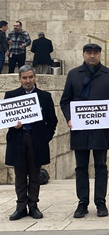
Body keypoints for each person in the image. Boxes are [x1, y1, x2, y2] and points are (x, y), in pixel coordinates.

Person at [60, 43, 109, 218]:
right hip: (80, 129)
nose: (92, 56)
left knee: (101, 166)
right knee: (81, 167)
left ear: (100, 55)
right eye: (89, 52)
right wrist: (69, 118)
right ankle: (82, 202)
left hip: (100, 129)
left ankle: (100, 202)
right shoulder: (73, 75)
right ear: (83, 55)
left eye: (95, 52)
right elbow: (65, 100)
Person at [4, 65, 58, 221]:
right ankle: (21, 206)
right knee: (20, 175)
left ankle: (33, 205)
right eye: (24, 78)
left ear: (35, 77)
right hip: (18, 140)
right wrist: (13, 124)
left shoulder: (45, 97)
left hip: (36, 140)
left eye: (30, 77)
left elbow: (52, 121)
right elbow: (5, 117)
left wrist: (45, 137)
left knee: (35, 175)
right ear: (19, 79)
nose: (28, 80)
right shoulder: (11, 95)